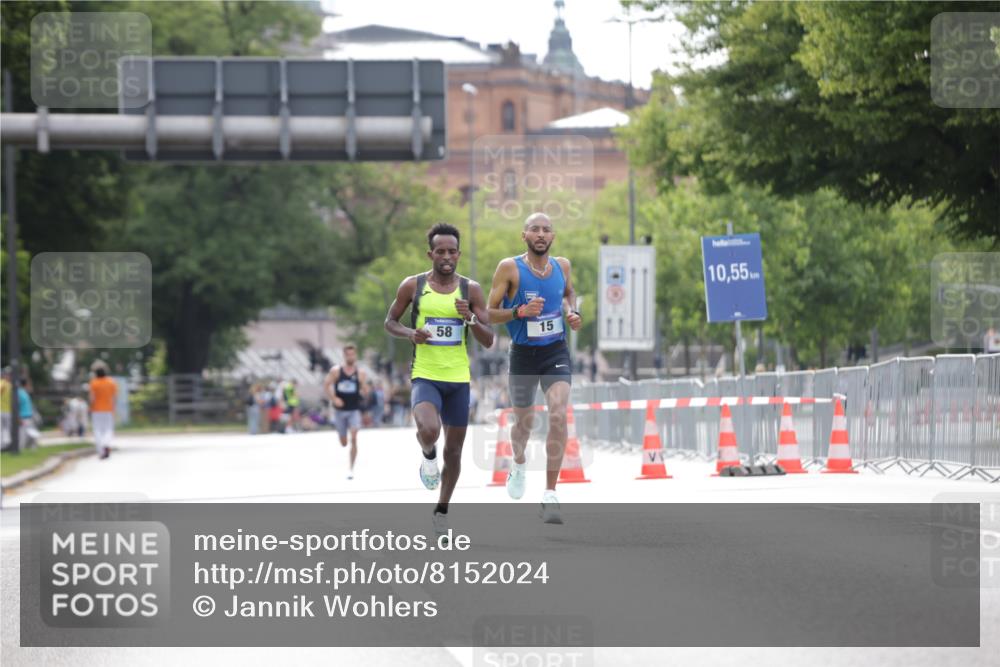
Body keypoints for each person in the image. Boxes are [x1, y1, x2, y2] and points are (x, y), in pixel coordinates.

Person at [384, 222, 494, 538]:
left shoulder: (470, 290)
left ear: (458, 254)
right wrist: (410, 333)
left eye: (452, 251)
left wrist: (470, 318)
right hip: (426, 375)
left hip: (458, 379)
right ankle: (427, 455)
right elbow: (390, 321)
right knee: (429, 430)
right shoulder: (413, 286)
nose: (446, 256)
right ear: (430, 253)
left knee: (455, 453)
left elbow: (488, 340)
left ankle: (442, 510)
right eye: (440, 251)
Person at [487, 212, 582, 524]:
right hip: (523, 355)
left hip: (555, 349)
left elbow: (569, 292)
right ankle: (518, 461)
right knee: (524, 424)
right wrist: (518, 312)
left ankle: (551, 493)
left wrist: (573, 311)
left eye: (546, 230)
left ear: (552, 237)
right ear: (523, 235)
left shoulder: (562, 266)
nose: (541, 234)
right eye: (534, 229)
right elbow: (489, 313)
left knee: (558, 412)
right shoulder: (509, 268)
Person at [323, 344, 370, 479]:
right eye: (348, 355)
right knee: (344, 442)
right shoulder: (336, 371)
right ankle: (342, 437)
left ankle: (351, 468)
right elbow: (326, 385)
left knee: (354, 437)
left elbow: (364, 389)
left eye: (353, 354)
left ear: (356, 355)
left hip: (354, 409)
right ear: (344, 356)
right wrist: (334, 398)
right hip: (339, 411)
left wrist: (365, 390)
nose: (351, 357)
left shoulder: (360, 373)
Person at [89, 364, 117, 459]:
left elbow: (92, 398)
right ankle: (106, 444)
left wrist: (91, 407)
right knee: (108, 429)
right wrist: (113, 408)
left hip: (96, 410)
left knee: (97, 430)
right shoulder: (111, 382)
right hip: (108, 409)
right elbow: (114, 397)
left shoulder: (94, 383)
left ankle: (101, 451)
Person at [1, 367, 12, 450]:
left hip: (2, 410)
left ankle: (2, 445)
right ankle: (7, 445)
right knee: (7, 429)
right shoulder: (9, 385)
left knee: (1, 429)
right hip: (7, 411)